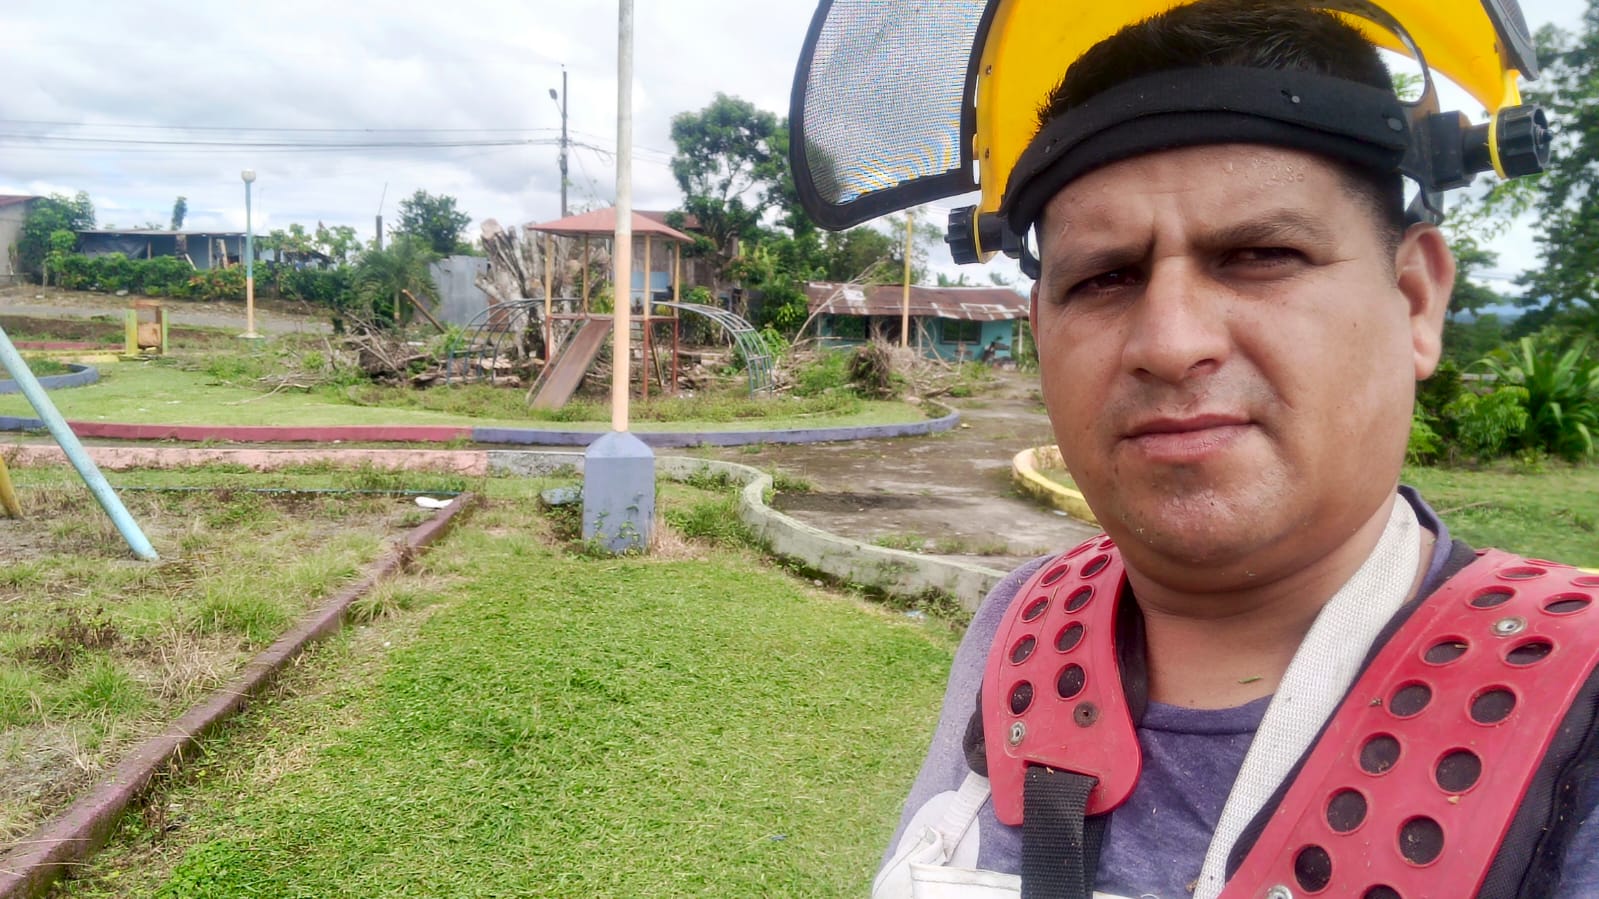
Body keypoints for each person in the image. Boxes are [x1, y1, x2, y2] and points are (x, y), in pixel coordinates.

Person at [866, 2, 1598, 897]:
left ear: (1413, 300)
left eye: (1259, 253)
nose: (1169, 342)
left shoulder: (1576, 701)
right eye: (1102, 277)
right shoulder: (1022, 625)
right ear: (1040, 330)